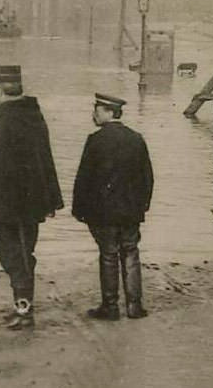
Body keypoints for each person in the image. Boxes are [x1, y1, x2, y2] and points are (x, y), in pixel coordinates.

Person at [0, 65, 64, 330]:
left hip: (11, 206)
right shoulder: (32, 117)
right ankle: (21, 305)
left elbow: (0, 165)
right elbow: (41, 160)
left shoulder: (9, 120)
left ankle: (24, 311)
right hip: (28, 204)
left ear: (1, 90)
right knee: (21, 253)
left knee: (16, 256)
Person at [72, 93, 154, 321]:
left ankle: (110, 306)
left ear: (108, 112)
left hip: (104, 213)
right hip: (131, 211)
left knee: (108, 255)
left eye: (97, 110)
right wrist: (142, 206)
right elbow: (147, 178)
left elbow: (84, 179)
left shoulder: (95, 140)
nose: (93, 115)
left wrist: (79, 210)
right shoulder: (136, 139)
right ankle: (134, 306)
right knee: (131, 253)